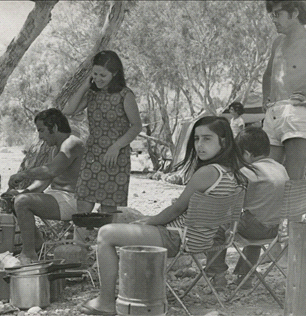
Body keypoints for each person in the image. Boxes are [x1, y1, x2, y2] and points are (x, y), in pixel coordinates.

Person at [79, 116, 250, 315]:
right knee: (137, 226)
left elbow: (176, 210)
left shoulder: (208, 173)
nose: (199, 145)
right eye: (196, 139)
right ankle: (141, 293)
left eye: (207, 139)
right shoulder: (237, 175)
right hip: (206, 239)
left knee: (106, 234)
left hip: (179, 237)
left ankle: (106, 301)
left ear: (224, 141)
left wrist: (149, 222)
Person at [205, 126, 289, 290]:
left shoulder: (248, 171)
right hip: (276, 229)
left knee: (216, 227)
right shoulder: (281, 169)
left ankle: (217, 275)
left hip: (255, 228)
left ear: (247, 154)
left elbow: (230, 201)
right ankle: (245, 277)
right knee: (255, 220)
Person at [62, 50, 142, 217]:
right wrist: (85, 85)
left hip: (115, 156)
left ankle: (103, 241)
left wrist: (116, 147)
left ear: (115, 73)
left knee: (107, 211)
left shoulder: (125, 95)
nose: (98, 78)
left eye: (103, 75)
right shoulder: (92, 94)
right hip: (92, 154)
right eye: (95, 73)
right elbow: (68, 110)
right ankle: (82, 240)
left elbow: (136, 126)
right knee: (83, 204)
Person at [7, 108, 85, 264]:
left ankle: (28, 254)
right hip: (57, 196)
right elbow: (45, 181)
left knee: (22, 202)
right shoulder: (56, 148)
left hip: (74, 200)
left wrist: (23, 174)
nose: (40, 136)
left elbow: (52, 170)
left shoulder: (71, 143)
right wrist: (24, 191)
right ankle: (35, 244)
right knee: (15, 198)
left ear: (54, 127)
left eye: (41, 130)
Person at [262, 0, 306, 180]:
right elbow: (268, 74)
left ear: (294, 13)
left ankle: (298, 209)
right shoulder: (277, 42)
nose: (273, 20)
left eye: (276, 14)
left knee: (293, 177)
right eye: (271, 15)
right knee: (268, 177)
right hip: (273, 113)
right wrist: (266, 100)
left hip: (298, 112)